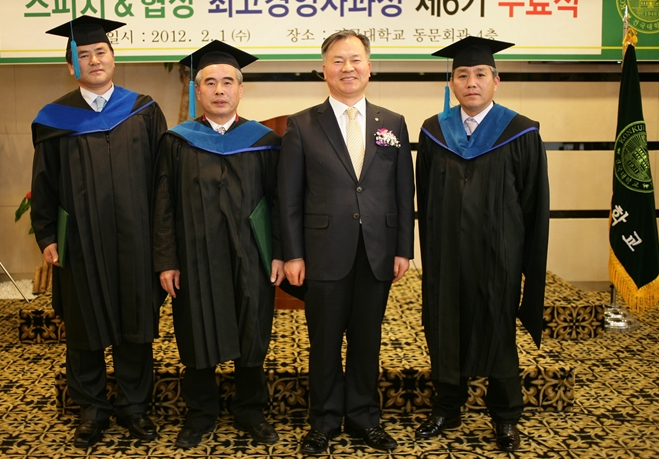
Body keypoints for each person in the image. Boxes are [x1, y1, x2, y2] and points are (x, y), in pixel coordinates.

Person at [30, 15, 167, 449]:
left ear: (113, 57)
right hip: (81, 241)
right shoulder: (55, 118)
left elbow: (163, 180)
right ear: (71, 65)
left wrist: (163, 242)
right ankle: (91, 409)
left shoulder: (143, 109)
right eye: (83, 54)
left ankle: (134, 406)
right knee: (84, 326)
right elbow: (44, 183)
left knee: (135, 324)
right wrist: (47, 236)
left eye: (100, 52)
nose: (94, 60)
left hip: (136, 239)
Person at [278, 30, 414, 455]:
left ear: (369, 67)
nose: (348, 68)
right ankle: (322, 421)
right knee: (324, 343)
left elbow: (403, 190)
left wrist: (404, 248)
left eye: (355, 59)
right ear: (324, 70)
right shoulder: (302, 124)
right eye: (338, 61)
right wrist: (293, 253)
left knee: (367, 341)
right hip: (322, 253)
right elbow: (289, 196)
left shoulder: (393, 123)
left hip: (377, 251)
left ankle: (363, 418)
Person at [415, 36, 550, 452]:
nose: (470, 82)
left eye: (479, 74)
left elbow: (533, 204)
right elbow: (424, 199)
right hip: (446, 257)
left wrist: (524, 262)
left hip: (498, 257)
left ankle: (506, 416)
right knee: (445, 326)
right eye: (462, 75)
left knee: (498, 331)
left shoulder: (520, 131)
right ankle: (447, 406)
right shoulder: (435, 131)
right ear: (451, 83)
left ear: (496, 80)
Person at [153, 41, 284, 449]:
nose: (220, 90)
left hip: (251, 255)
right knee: (196, 328)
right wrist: (166, 260)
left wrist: (279, 252)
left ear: (241, 89)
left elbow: (279, 202)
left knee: (252, 328)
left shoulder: (264, 141)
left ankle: (250, 409)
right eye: (210, 82)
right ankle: (200, 413)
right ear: (198, 90)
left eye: (228, 82)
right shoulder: (177, 141)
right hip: (195, 257)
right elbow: (163, 203)